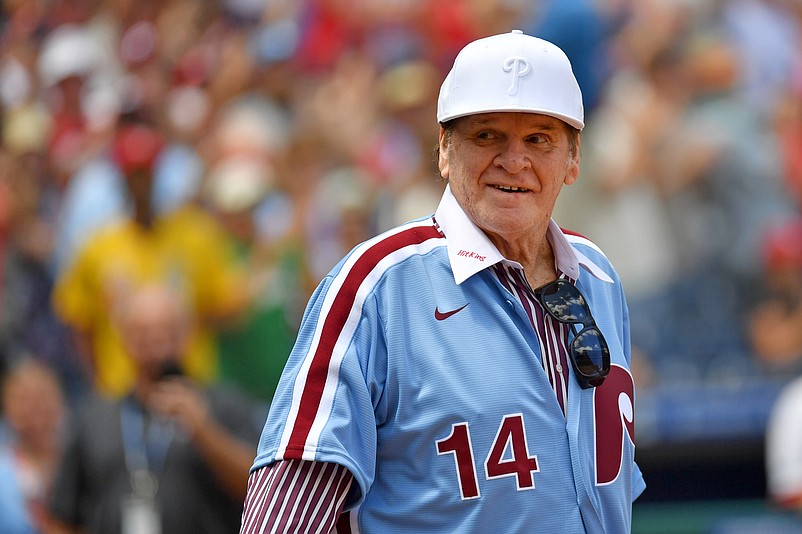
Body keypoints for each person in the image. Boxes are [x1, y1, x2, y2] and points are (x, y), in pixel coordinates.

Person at [240, 30, 645, 533]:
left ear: (572, 159)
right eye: (486, 136)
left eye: (539, 138)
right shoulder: (375, 286)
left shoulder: (598, 276)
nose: (514, 160)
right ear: (444, 151)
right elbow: (287, 514)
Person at [51, 113, 247, 397]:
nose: (140, 184)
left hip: (191, 385)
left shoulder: (196, 234)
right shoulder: (97, 245)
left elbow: (230, 309)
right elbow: (80, 323)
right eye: (134, 174)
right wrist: (98, 384)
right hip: (122, 391)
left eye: (147, 173)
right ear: (121, 177)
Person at [47, 282, 261, 534]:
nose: (157, 345)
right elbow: (62, 514)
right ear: (124, 339)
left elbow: (257, 489)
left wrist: (204, 431)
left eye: (167, 332)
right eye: (144, 334)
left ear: (187, 335)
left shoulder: (223, 406)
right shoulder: (96, 417)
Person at [0, 358, 67, 534]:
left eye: (42, 397)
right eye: (24, 399)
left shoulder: (81, 463)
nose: (35, 409)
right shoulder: (3, 471)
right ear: (7, 407)